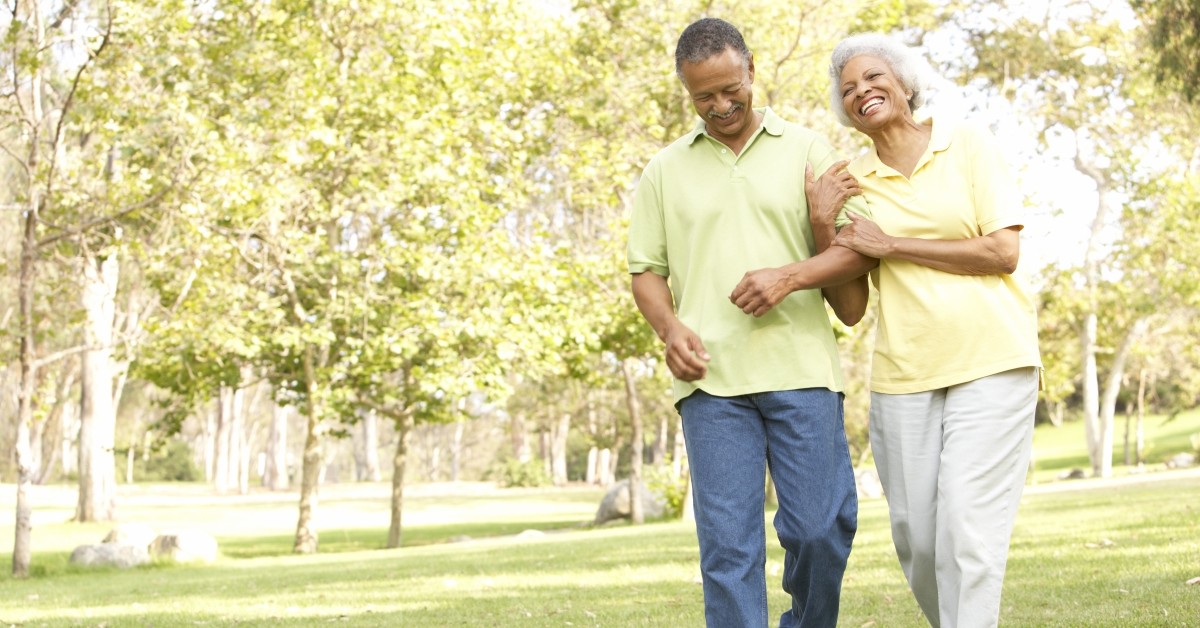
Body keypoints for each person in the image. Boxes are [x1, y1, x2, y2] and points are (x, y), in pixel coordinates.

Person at [627, 17, 877, 628]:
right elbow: (646, 272)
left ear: (751, 70)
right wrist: (670, 330)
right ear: (686, 93)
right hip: (711, 384)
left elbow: (860, 247)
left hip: (801, 369)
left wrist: (788, 276)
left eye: (729, 88)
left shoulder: (808, 150)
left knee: (821, 528)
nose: (719, 105)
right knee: (729, 550)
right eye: (702, 97)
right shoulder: (664, 170)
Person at [814, 33, 1043, 628]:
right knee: (917, 538)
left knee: (968, 527)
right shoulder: (853, 183)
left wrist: (893, 246)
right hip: (904, 373)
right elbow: (850, 307)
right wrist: (821, 222)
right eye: (849, 90)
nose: (862, 91)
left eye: (872, 77)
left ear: (904, 82)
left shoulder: (966, 144)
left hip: (992, 359)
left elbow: (1001, 251)